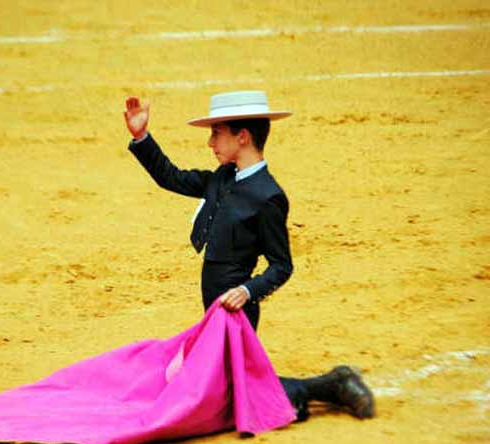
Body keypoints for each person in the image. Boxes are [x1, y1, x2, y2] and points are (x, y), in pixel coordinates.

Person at [124, 90, 375, 421]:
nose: (210, 142)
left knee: (229, 394)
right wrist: (141, 136)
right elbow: (170, 177)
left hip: (236, 309)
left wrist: (247, 291)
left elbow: (282, 265)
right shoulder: (222, 178)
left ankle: (330, 385)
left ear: (242, 137)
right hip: (214, 306)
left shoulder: (268, 196)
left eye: (217, 133)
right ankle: (316, 390)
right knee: (223, 387)